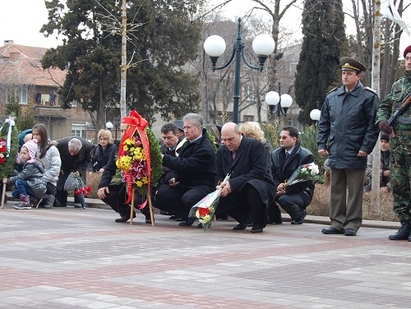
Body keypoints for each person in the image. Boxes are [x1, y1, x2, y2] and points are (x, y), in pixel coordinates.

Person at [317, 57, 379, 236]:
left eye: (349, 74)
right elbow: (324, 123)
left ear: (358, 76)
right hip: (336, 149)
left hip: (356, 150)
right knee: (336, 188)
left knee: (354, 191)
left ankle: (351, 223)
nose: (345, 77)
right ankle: (337, 222)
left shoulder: (368, 97)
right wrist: (322, 143)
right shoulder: (332, 96)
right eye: (343, 73)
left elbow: (372, 126)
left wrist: (366, 147)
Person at [154, 113, 217, 226]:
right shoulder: (187, 143)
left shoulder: (205, 148)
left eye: (188, 127)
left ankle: (204, 214)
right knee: (161, 194)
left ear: (198, 128)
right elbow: (181, 165)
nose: (185, 130)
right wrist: (175, 178)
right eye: (184, 127)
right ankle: (188, 215)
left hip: (202, 185)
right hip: (185, 183)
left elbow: (187, 165)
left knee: (188, 198)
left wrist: (164, 158)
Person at [214, 122, 276, 233]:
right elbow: (219, 174)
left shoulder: (255, 146)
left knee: (252, 186)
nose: (227, 143)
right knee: (216, 199)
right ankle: (244, 219)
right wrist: (220, 185)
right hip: (234, 186)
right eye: (224, 140)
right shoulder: (222, 151)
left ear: (239, 134)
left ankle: (258, 222)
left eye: (230, 139)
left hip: (261, 185)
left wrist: (232, 184)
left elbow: (258, 172)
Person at [376, 45, 411, 241]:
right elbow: (385, 105)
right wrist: (382, 121)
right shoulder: (398, 86)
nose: (409, 61)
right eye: (407, 58)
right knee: (398, 186)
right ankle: (405, 224)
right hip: (398, 148)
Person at [97, 122, 151, 223]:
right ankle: (125, 213)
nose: (122, 133)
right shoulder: (118, 146)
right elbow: (109, 168)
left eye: (125, 131)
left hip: (141, 181)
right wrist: (102, 185)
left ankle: (148, 213)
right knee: (105, 193)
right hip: (124, 181)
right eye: (121, 131)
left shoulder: (143, 144)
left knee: (137, 198)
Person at [269, 126, 315, 225]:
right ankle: (274, 218)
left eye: (284, 138)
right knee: (264, 193)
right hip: (280, 189)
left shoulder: (306, 155)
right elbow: (272, 174)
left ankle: (298, 216)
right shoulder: (275, 154)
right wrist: (277, 186)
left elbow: (306, 181)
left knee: (284, 199)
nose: (281, 140)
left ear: (294, 139)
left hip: (302, 192)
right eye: (280, 137)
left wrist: (286, 190)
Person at [7, 139, 47, 210]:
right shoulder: (28, 163)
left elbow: (21, 176)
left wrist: (7, 180)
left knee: (19, 181)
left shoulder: (31, 165)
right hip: (34, 187)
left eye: (24, 153)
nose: (22, 155)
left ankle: (25, 203)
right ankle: (34, 200)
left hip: (36, 187)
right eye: (21, 153)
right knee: (15, 194)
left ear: (31, 153)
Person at [53, 137, 92, 207]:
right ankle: (61, 201)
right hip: (64, 164)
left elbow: (88, 159)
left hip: (79, 164)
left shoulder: (87, 146)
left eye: (75, 152)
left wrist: (79, 170)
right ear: (68, 145)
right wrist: (60, 167)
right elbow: (55, 156)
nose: (72, 154)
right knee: (62, 181)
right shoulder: (59, 144)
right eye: (70, 151)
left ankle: (78, 201)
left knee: (79, 182)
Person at [32, 123, 61, 208]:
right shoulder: (32, 148)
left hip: (49, 182)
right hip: (35, 179)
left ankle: (49, 197)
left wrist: (42, 178)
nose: (35, 137)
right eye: (33, 134)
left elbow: (55, 169)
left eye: (37, 134)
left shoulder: (53, 150)